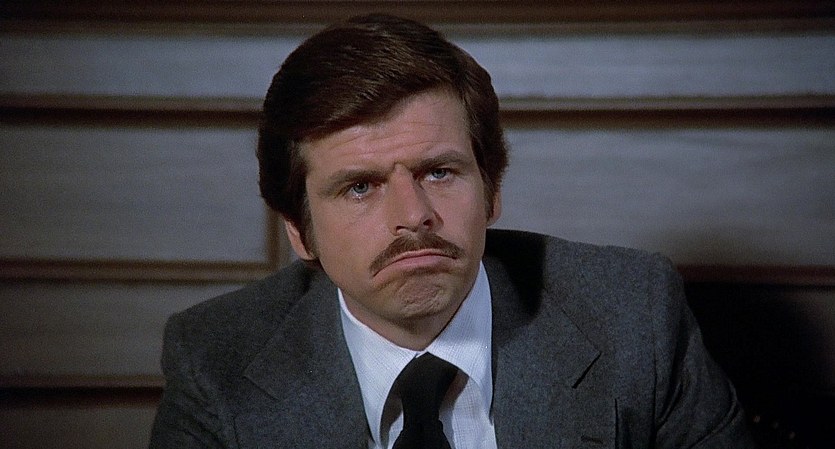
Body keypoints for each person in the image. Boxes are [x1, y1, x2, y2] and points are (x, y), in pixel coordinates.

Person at [150, 14, 755, 449]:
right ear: (299, 232)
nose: (413, 215)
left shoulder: (633, 315)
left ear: (491, 190)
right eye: (360, 187)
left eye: (439, 172)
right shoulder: (215, 361)